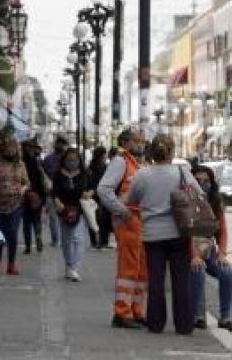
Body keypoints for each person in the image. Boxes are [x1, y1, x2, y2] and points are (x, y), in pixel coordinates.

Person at [126, 134, 203, 335]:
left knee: (156, 281)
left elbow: (131, 198)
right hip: (179, 232)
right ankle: (184, 325)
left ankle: (156, 323)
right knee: (181, 282)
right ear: (172, 152)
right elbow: (199, 194)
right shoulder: (182, 172)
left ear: (152, 153)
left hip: (152, 235)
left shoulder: (142, 175)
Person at [97, 128, 148, 329]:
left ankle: (136, 311)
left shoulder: (138, 164)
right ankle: (122, 313)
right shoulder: (120, 162)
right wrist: (121, 211)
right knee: (128, 268)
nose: (142, 144)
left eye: (143, 141)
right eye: (138, 140)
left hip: (140, 221)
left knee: (141, 269)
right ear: (126, 142)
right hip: (129, 221)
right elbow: (104, 189)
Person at [190, 165, 232, 332]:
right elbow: (185, 233)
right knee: (198, 270)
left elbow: (222, 231)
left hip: (209, 251)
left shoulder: (216, 203)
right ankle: (198, 316)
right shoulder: (185, 201)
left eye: (206, 181)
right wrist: (194, 255)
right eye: (198, 181)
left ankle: (225, 317)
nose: (202, 184)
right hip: (189, 251)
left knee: (226, 271)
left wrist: (222, 254)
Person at [0, 136, 29, 275]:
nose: (11, 151)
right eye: (9, 148)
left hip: (15, 203)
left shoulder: (20, 165)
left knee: (12, 233)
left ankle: (11, 264)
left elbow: (27, 182)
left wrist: (23, 189)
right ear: (3, 149)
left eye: (14, 148)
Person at [53, 148, 93, 281]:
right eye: (69, 160)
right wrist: (57, 201)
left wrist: (89, 193)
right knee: (67, 240)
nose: (72, 162)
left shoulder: (84, 173)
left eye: (75, 160)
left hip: (80, 210)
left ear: (79, 160)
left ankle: (74, 268)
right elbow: (54, 192)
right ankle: (69, 265)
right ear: (64, 160)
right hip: (64, 211)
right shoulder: (58, 174)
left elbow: (94, 187)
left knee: (79, 240)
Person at [21, 138, 47, 253]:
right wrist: (43, 197)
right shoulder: (38, 162)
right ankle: (38, 236)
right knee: (36, 220)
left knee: (26, 222)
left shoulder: (20, 162)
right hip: (37, 194)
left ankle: (27, 246)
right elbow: (42, 180)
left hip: (24, 194)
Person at [42, 136, 68, 247]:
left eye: (63, 144)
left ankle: (64, 239)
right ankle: (55, 239)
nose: (61, 146)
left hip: (65, 193)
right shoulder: (48, 159)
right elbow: (43, 175)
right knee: (53, 218)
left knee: (64, 217)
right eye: (59, 143)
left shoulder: (68, 158)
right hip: (51, 193)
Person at [87, 146, 108, 248]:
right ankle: (99, 241)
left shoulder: (94, 167)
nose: (105, 157)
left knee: (98, 219)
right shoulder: (96, 167)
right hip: (96, 196)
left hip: (97, 195)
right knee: (97, 219)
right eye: (104, 155)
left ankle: (97, 241)